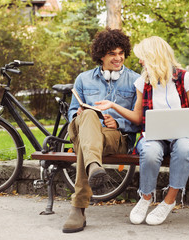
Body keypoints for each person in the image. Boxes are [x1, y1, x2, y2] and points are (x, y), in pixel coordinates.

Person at [95, 36, 189, 226]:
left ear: (154, 56)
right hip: (154, 136)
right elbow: (138, 118)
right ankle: (145, 198)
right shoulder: (143, 82)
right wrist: (113, 105)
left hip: (182, 136)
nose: (140, 61)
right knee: (149, 151)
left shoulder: (185, 78)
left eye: (143, 57)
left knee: (185, 148)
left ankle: (168, 201)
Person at [62, 28, 140, 233]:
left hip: (115, 137)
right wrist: (77, 115)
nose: (118, 58)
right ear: (101, 55)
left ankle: (78, 208)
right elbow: (71, 112)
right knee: (87, 115)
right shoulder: (83, 79)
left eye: (121, 53)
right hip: (86, 131)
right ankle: (94, 165)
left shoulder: (135, 80)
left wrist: (120, 123)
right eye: (112, 54)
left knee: (85, 147)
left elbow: (141, 119)